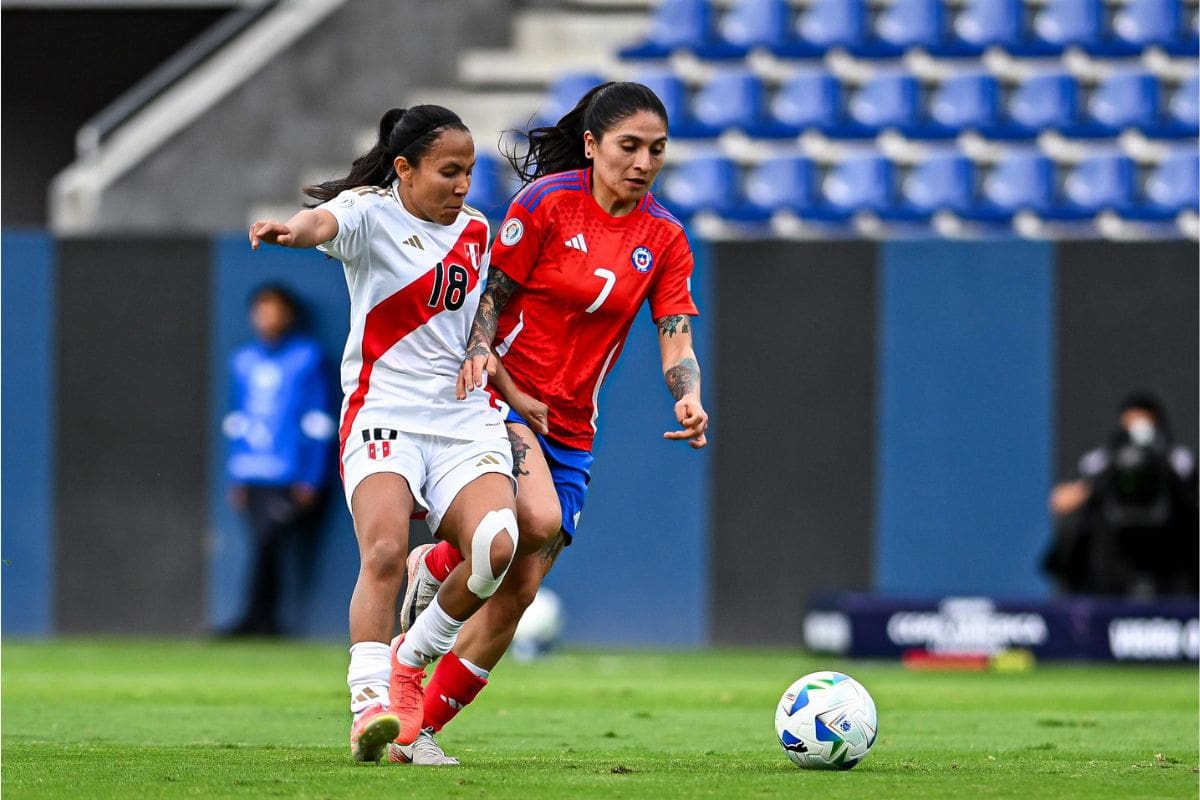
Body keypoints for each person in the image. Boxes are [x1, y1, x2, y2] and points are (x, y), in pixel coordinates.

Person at [398, 81, 709, 752]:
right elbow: (489, 302)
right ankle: (413, 639)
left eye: (656, 149)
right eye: (629, 146)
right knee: (533, 520)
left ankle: (414, 728)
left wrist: (687, 393)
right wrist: (497, 375)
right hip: (499, 401)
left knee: (520, 592)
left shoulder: (665, 236)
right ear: (593, 145)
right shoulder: (545, 203)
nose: (643, 161)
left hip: (573, 427)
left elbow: (675, 334)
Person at [248, 105, 541, 765]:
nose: (463, 186)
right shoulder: (370, 213)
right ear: (404, 169)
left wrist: (510, 388)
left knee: (498, 545)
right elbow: (319, 221)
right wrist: (289, 232)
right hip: (385, 415)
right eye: (448, 171)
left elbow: (475, 329)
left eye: (469, 171)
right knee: (384, 553)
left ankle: (412, 661)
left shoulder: (475, 228)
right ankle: (368, 709)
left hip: (461, 417)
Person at [222, 283, 335, 636]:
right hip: (253, 473)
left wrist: (311, 477)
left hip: (289, 475)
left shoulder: (308, 358)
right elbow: (240, 418)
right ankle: (258, 619)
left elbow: (319, 419)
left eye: (274, 308)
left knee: (269, 543)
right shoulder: (242, 361)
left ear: (289, 314)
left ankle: (259, 619)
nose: (266, 316)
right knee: (263, 543)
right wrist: (236, 473)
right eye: (260, 308)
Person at [1043, 391, 1198, 597]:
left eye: (1145, 423)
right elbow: (1060, 501)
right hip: (1111, 568)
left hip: (1171, 567)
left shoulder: (1179, 462)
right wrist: (1098, 485)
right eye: (1130, 423)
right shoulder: (1101, 462)